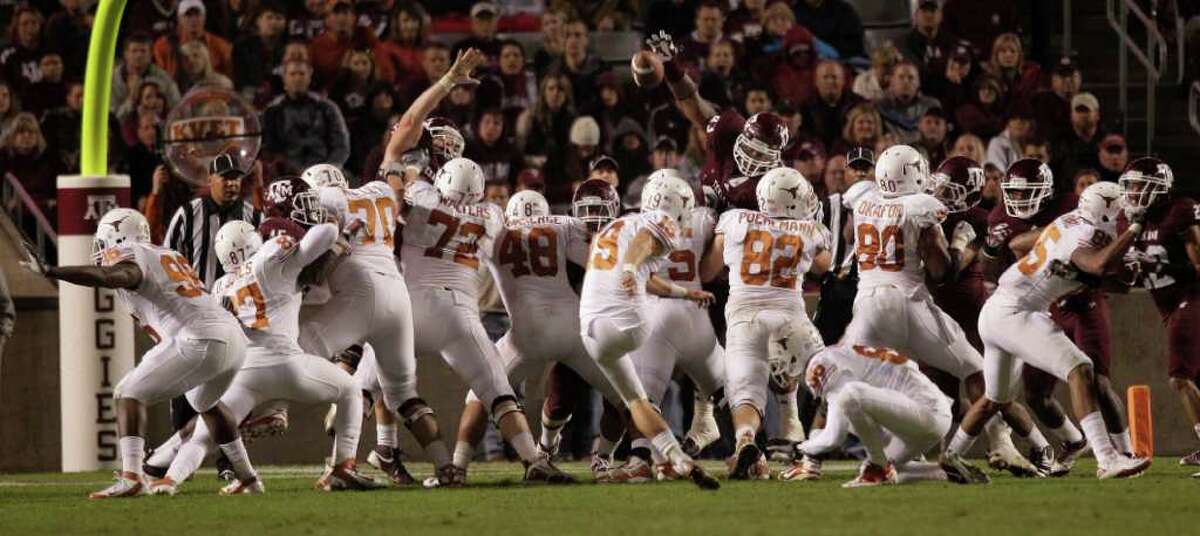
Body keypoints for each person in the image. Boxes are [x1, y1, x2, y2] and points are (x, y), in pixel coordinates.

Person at [19, 209, 259, 498]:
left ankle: (132, 476)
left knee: (127, 393)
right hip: (232, 338)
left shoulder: (129, 252)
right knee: (206, 403)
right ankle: (247, 478)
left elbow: (122, 274)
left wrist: (53, 271)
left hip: (200, 337)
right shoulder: (168, 253)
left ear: (116, 236)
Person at [841, 146, 1041, 477]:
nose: (937, 188)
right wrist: (959, 245)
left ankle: (839, 456)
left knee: (880, 383)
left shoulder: (864, 198)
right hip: (907, 300)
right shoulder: (922, 208)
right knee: (973, 374)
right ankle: (996, 444)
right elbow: (942, 271)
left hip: (866, 302)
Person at [148, 212, 381, 494]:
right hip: (287, 365)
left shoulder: (221, 287)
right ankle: (342, 467)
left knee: (204, 435)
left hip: (243, 374)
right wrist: (339, 228)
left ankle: (170, 480)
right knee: (350, 391)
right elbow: (324, 237)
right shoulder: (270, 260)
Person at [943, 181, 1152, 480]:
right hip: (1017, 312)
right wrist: (1132, 231)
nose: (1126, 212)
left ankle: (951, 456)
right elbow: (1096, 264)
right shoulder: (1088, 232)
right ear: (1106, 212)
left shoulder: (1069, 219)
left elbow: (1018, 244)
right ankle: (1107, 458)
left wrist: (1051, 262)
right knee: (1080, 369)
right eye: (1121, 208)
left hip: (997, 308)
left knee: (994, 400)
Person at [398, 158, 572, 484]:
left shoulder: (423, 194)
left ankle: (433, 464)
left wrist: (410, 166)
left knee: (380, 385)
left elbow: (397, 192)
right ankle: (533, 459)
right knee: (497, 391)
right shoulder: (491, 213)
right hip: (461, 312)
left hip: (413, 307)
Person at [296, 165, 456, 487]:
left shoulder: (325, 201)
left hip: (358, 294)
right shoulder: (378, 191)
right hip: (398, 297)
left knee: (290, 353)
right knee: (403, 394)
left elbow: (315, 272)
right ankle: (446, 468)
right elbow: (393, 186)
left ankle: (336, 461)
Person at [452, 188, 624, 479]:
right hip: (573, 330)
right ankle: (643, 455)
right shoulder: (560, 226)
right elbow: (600, 264)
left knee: (479, 395)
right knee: (626, 397)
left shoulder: (497, 233)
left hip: (527, 335)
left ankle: (456, 468)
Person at [578, 171, 721, 489]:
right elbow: (642, 247)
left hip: (590, 329)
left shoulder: (616, 224)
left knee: (636, 401)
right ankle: (681, 448)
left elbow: (644, 273)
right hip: (630, 320)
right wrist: (630, 268)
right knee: (646, 388)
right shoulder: (662, 220)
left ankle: (678, 460)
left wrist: (686, 293)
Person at [700, 167, 831, 479]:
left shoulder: (734, 220)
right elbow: (824, 266)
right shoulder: (809, 229)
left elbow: (707, 271)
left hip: (744, 314)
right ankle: (810, 453)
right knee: (829, 380)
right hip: (789, 314)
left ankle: (746, 439)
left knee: (745, 389)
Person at [616, 170, 727, 480]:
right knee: (727, 388)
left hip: (655, 316)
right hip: (695, 312)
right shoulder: (705, 218)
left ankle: (642, 458)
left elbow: (632, 272)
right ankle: (750, 450)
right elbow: (709, 270)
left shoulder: (634, 223)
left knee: (644, 395)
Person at [1118, 157, 1200, 472]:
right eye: (1129, 186)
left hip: (1190, 298)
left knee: (1180, 377)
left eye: (1139, 185)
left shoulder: (1179, 211)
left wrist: (1160, 266)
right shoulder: (1132, 222)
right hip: (1167, 306)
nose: (1133, 193)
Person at [792, 341, 960, 487]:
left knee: (851, 395)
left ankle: (879, 468)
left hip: (925, 413)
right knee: (886, 468)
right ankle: (945, 471)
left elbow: (834, 437)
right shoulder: (844, 351)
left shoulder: (821, 363)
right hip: (927, 415)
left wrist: (799, 447)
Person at [261, 60, 350, 168]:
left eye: (302, 74)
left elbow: (341, 145)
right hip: (286, 172)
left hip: (323, 169)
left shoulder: (327, 107)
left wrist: (330, 167)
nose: (297, 78)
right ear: (284, 78)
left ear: (309, 77)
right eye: (293, 74)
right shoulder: (272, 111)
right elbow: (269, 149)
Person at [307, 0, 381, 89]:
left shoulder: (364, 34)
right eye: (336, 13)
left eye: (346, 12)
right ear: (327, 20)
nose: (341, 18)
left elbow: (382, 63)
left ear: (354, 18)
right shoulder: (316, 46)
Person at [153, 0, 234, 80]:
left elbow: (230, 78)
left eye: (197, 15)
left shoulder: (221, 46)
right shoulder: (163, 46)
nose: (193, 20)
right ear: (179, 19)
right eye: (188, 15)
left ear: (204, 17)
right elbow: (160, 79)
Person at [232, 4, 288, 101]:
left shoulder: (289, 47)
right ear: (258, 21)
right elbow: (240, 79)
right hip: (249, 96)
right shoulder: (242, 46)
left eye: (279, 18)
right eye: (269, 17)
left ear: (285, 22)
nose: (273, 22)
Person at [874, 62, 941, 143]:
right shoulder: (879, 106)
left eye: (911, 78)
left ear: (918, 82)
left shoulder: (930, 106)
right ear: (891, 81)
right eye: (901, 77)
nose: (906, 81)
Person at [803, 60, 862, 150]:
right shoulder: (805, 107)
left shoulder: (858, 104)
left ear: (843, 81)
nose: (830, 81)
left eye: (834, 77)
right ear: (816, 82)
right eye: (825, 77)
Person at [791, 0, 866, 60]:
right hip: (806, 64)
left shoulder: (844, 10)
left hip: (843, 61)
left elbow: (854, 44)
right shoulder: (793, 13)